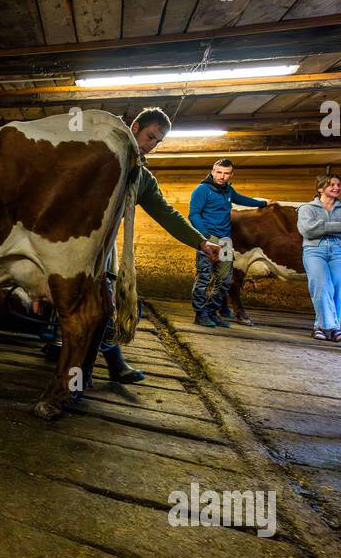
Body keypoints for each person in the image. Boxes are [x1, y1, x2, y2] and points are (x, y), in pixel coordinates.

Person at [40, 108, 222, 383]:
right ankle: (86, 366)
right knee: (77, 307)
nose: (151, 145)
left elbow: (166, 213)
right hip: (66, 248)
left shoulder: (141, 177)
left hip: (102, 254)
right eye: (150, 136)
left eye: (158, 142)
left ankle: (90, 370)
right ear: (134, 127)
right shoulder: (95, 159)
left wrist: (200, 241)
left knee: (101, 308)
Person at [188, 158, 274, 328]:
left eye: (226, 173)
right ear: (213, 172)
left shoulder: (228, 191)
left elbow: (242, 199)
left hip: (226, 241)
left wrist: (263, 203)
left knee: (226, 279)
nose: (222, 176)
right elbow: (194, 215)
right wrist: (205, 236)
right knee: (204, 277)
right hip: (208, 239)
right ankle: (200, 314)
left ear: (231, 174)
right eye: (219, 172)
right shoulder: (202, 190)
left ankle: (212, 312)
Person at [297, 174, 341, 343]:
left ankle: (320, 327)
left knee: (337, 290)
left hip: (339, 251)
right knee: (321, 286)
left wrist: (322, 227)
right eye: (331, 185)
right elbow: (307, 230)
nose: (336, 188)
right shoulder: (307, 208)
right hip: (314, 250)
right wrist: (340, 227)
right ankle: (332, 329)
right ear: (320, 188)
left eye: (338, 184)